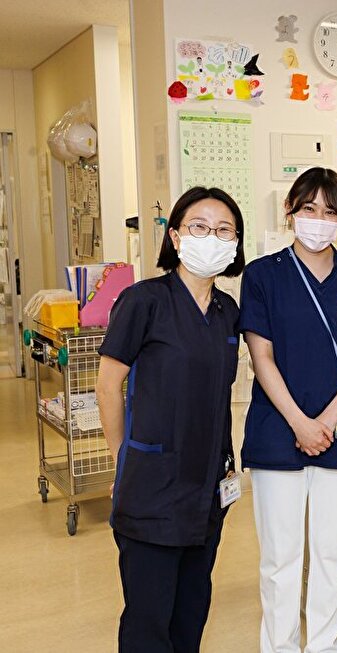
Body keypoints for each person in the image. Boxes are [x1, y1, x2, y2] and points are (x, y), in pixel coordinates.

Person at [238, 167, 337, 653]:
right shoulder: (263, 275)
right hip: (280, 428)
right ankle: (279, 647)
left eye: (329, 212)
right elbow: (261, 356)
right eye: (309, 209)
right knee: (280, 557)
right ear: (290, 211)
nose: (319, 219)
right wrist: (301, 423)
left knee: (332, 553)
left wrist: (326, 420)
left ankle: (323, 644)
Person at [95, 186, 246, 652]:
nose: (212, 237)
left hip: (207, 487)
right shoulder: (144, 301)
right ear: (176, 237)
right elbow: (108, 386)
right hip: (151, 489)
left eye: (224, 230)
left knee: (191, 611)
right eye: (199, 227)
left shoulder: (227, 312)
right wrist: (123, 460)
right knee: (148, 620)